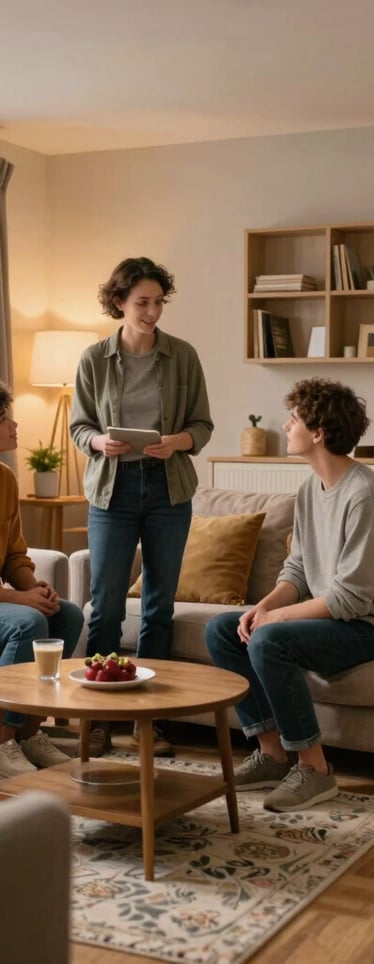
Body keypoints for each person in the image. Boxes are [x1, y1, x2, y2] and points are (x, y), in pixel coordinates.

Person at [205, 377, 374, 812]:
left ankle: (316, 769)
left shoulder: (364, 495)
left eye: (294, 419)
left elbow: (351, 599)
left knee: (269, 639)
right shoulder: (308, 490)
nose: (286, 426)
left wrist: (276, 622)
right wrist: (260, 609)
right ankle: (271, 754)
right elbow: (298, 570)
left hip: (365, 627)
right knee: (224, 630)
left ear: (318, 433)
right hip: (327, 617)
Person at [70, 257, 213, 756]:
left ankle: (149, 721)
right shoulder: (93, 359)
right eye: (142, 303)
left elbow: (203, 426)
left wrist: (178, 441)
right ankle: (103, 714)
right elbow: (79, 426)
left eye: (158, 302)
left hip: (168, 488)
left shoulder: (183, 356)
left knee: (159, 606)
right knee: (106, 604)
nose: (152, 312)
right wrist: (96, 444)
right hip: (113, 489)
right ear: (119, 304)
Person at [0, 382, 85, 777]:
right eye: (5, 419)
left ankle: (29, 732)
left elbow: (15, 554)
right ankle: (2, 740)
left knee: (67, 614)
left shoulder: (5, 479)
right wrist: (22, 602)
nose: (15, 425)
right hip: (6, 608)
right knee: (30, 621)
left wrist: (32, 587)